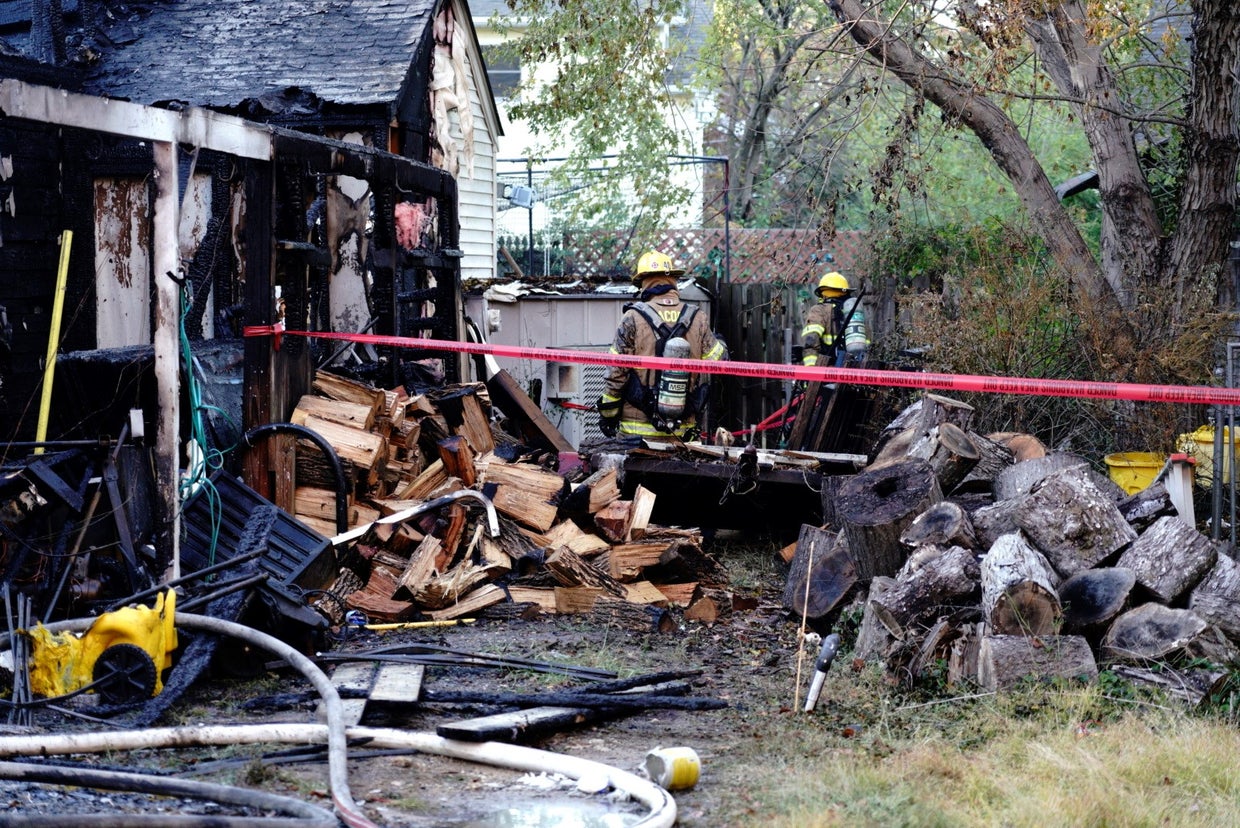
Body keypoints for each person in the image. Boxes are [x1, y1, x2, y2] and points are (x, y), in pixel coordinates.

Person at [597, 250, 727, 439]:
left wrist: (608, 414)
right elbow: (719, 362)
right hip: (682, 432)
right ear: (673, 280)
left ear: (644, 282)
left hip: (636, 433)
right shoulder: (697, 318)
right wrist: (720, 342)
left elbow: (617, 372)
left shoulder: (633, 317)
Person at [800, 271, 869, 367]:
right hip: (854, 368)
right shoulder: (853, 310)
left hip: (829, 371)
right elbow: (867, 341)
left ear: (823, 292)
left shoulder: (819, 310)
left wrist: (811, 370)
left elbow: (810, 341)